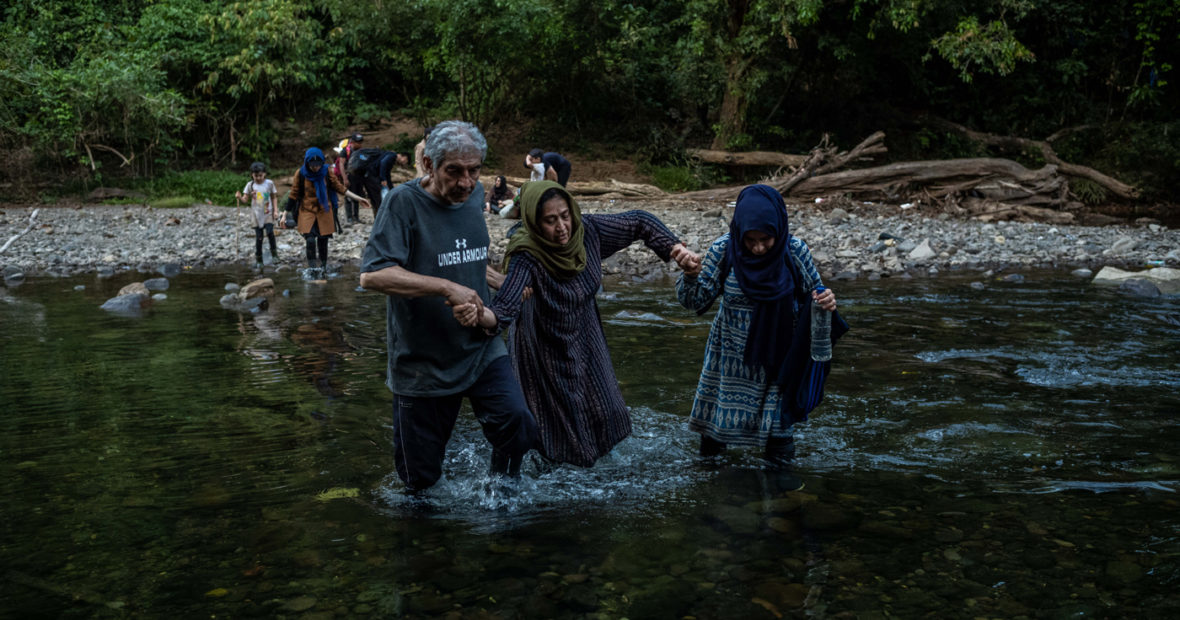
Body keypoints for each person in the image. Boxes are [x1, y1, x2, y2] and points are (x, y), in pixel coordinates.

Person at [453, 181, 701, 467]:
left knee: (607, 410)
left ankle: (600, 472)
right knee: (553, 424)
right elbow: (505, 308)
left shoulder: (589, 232)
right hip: (543, 344)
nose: (561, 227)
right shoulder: (527, 256)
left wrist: (674, 249)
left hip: (586, 334)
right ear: (534, 222)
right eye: (550, 220)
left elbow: (639, 221)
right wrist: (479, 315)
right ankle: (540, 483)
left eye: (565, 216)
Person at [359, 120, 537, 494]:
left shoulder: (473, 197)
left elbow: (462, 258)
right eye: (454, 172)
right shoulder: (402, 203)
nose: (466, 183)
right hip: (423, 361)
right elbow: (373, 275)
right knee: (420, 482)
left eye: (474, 171)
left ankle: (500, 496)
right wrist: (445, 287)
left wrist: (499, 281)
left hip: (480, 344)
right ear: (428, 165)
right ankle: (430, 543)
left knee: (518, 424)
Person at [676, 184, 837, 468]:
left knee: (780, 454)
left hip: (777, 364)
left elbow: (816, 296)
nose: (758, 248)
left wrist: (826, 301)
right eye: (750, 240)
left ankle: (781, 504)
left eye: (766, 239)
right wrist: (690, 275)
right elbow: (694, 300)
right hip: (728, 365)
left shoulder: (794, 251)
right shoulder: (725, 250)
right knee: (711, 458)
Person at [286, 147, 371, 271]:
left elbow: (340, 188)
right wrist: (284, 214)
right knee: (310, 240)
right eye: (313, 166)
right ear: (307, 163)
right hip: (307, 211)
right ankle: (312, 268)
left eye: (318, 165)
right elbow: (293, 194)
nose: (316, 168)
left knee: (323, 240)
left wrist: (359, 198)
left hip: (324, 211)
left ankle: (323, 267)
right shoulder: (300, 173)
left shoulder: (326, 172)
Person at [236, 161, 279, 271]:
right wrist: (240, 197)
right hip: (256, 214)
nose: (258, 178)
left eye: (260, 175)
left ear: (264, 174)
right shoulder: (250, 185)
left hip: (267, 212)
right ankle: (259, 259)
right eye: (256, 176)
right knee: (259, 237)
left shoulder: (269, 183)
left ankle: (274, 254)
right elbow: (245, 200)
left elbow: (274, 197)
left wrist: (275, 210)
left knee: (270, 232)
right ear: (252, 175)